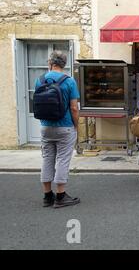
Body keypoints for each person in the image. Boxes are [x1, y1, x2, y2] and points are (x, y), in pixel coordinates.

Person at [35, 51, 80, 208]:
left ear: (50, 63)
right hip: (65, 126)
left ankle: (47, 196)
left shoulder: (39, 80)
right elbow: (74, 108)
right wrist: (76, 125)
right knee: (62, 159)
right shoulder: (69, 81)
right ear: (64, 64)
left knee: (47, 158)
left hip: (45, 126)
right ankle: (61, 196)